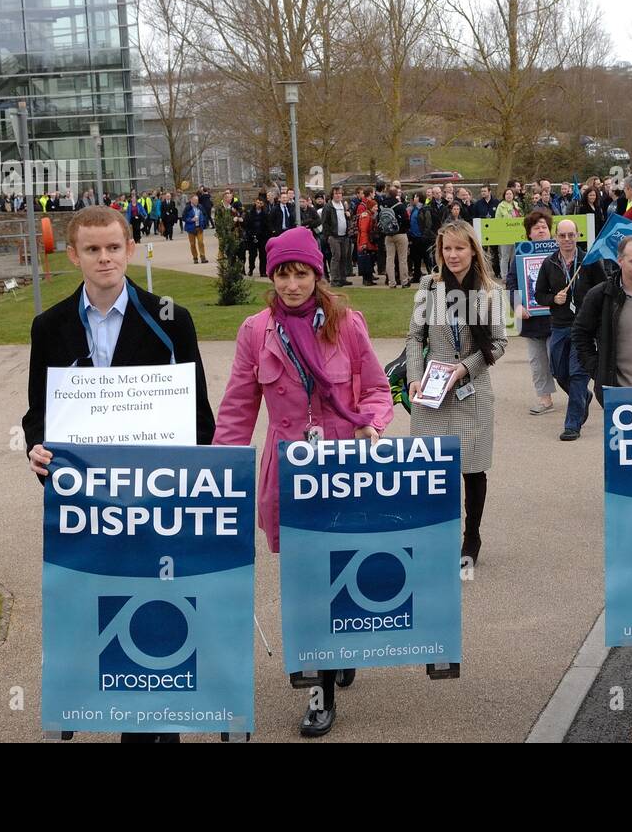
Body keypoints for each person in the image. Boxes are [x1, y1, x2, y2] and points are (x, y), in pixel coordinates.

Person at [22, 206, 216, 743]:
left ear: (129, 249)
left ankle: (158, 722)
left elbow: (199, 415)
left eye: (113, 247)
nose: (104, 258)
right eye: (92, 249)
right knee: (98, 601)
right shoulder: (50, 326)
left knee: (158, 601)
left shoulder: (171, 317)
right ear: (73, 255)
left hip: (158, 496)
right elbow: (38, 413)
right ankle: (106, 706)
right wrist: (37, 451)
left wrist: (186, 485)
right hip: (87, 500)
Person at [212, 227, 393, 737]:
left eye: (302, 273)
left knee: (341, 569)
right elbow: (238, 409)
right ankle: (319, 693)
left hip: (342, 465)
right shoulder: (256, 331)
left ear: (318, 274)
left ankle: (341, 645)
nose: (292, 284)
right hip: (290, 468)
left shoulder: (348, 325)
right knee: (302, 582)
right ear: (272, 277)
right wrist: (222, 471)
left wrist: (371, 423)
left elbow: (378, 389)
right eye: (283, 275)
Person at [406, 219, 507, 566]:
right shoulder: (427, 288)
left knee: (472, 470)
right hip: (431, 394)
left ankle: (471, 536)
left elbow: (498, 343)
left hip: (471, 391)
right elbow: (415, 338)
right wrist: (414, 378)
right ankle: (436, 535)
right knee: (432, 470)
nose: (452, 255)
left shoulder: (491, 291)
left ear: (472, 250)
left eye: (459, 248)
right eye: (446, 248)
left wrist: (464, 369)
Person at [572, 235, 632, 407]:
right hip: (617, 392)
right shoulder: (600, 295)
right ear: (620, 261)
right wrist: (598, 370)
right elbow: (580, 334)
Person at [533, 218, 593, 441]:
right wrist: (553, 299)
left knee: (578, 374)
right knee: (559, 371)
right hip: (559, 326)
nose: (567, 240)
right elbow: (539, 294)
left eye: (571, 235)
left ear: (578, 235)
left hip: (584, 327)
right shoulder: (549, 263)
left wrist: (590, 305)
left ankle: (572, 424)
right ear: (556, 237)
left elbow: (603, 287)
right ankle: (582, 398)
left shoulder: (589, 261)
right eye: (562, 235)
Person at [506, 210, 558, 416]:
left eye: (544, 227)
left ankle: (576, 394)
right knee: (538, 362)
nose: (541, 230)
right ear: (529, 233)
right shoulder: (521, 254)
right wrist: (517, 305)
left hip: (557, 317)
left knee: (559, 359)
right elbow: (511, 283)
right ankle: (545, 399)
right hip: (532, 319)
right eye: (536, 228)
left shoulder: (560, 252)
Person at [321, 185, 354, 288]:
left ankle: (342, 278)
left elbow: (347, 218)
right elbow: (324, 223)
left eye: (340, 193)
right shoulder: (328, 207)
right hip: (334, 236)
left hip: (344, 235)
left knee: (344, 257)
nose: (338, 195)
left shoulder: (343, 205)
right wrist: (328, 236)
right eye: (336, 193)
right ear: (332, 195)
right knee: (336, 257)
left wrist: (349, 215)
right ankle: (334, 279)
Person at [379, 191, 410, 288]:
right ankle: (404, 281)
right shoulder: (399, 205)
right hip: (400, 234)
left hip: (388, 235)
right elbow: (406, 220)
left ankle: (391, 282)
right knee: (402, 259)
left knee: (389, 259)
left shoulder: (382, 205)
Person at [182, 193, 209, 264]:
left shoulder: (200, 206)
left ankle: (203, 257)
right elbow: (184, 218)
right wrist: (191, 219)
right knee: (192, 244)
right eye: (195, 200)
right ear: (191, 200)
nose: (196, 202)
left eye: (197, 200)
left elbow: (205, 214)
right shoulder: (187, 208)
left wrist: (204, 223)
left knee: (201, 242)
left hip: (199, 228)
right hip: (191, 229)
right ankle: (195, 257)